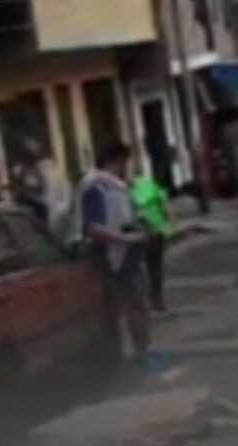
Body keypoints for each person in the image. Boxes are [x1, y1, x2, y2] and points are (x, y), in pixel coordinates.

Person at [79, 140, 156, 369]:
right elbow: (93, 227)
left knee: (138, 305)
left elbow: (127, 216)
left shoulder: (118, 187)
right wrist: (124, 239)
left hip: (128, 255)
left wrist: (141, 227)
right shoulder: (95, 188)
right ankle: (122, 357)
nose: (125, 169)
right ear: (112, 162)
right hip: (110, 257)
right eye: (123, 163)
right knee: (118, 309)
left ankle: (143, 350)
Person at [130, 167, 173, 314]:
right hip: (157, 230)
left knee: (142, 268)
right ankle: (157, 300)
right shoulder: (152, 185)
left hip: (142, 233)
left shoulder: (129, 190)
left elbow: (132, 213)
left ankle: (146, 301)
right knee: (156, 267)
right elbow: (165, 207)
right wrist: (168, 225)